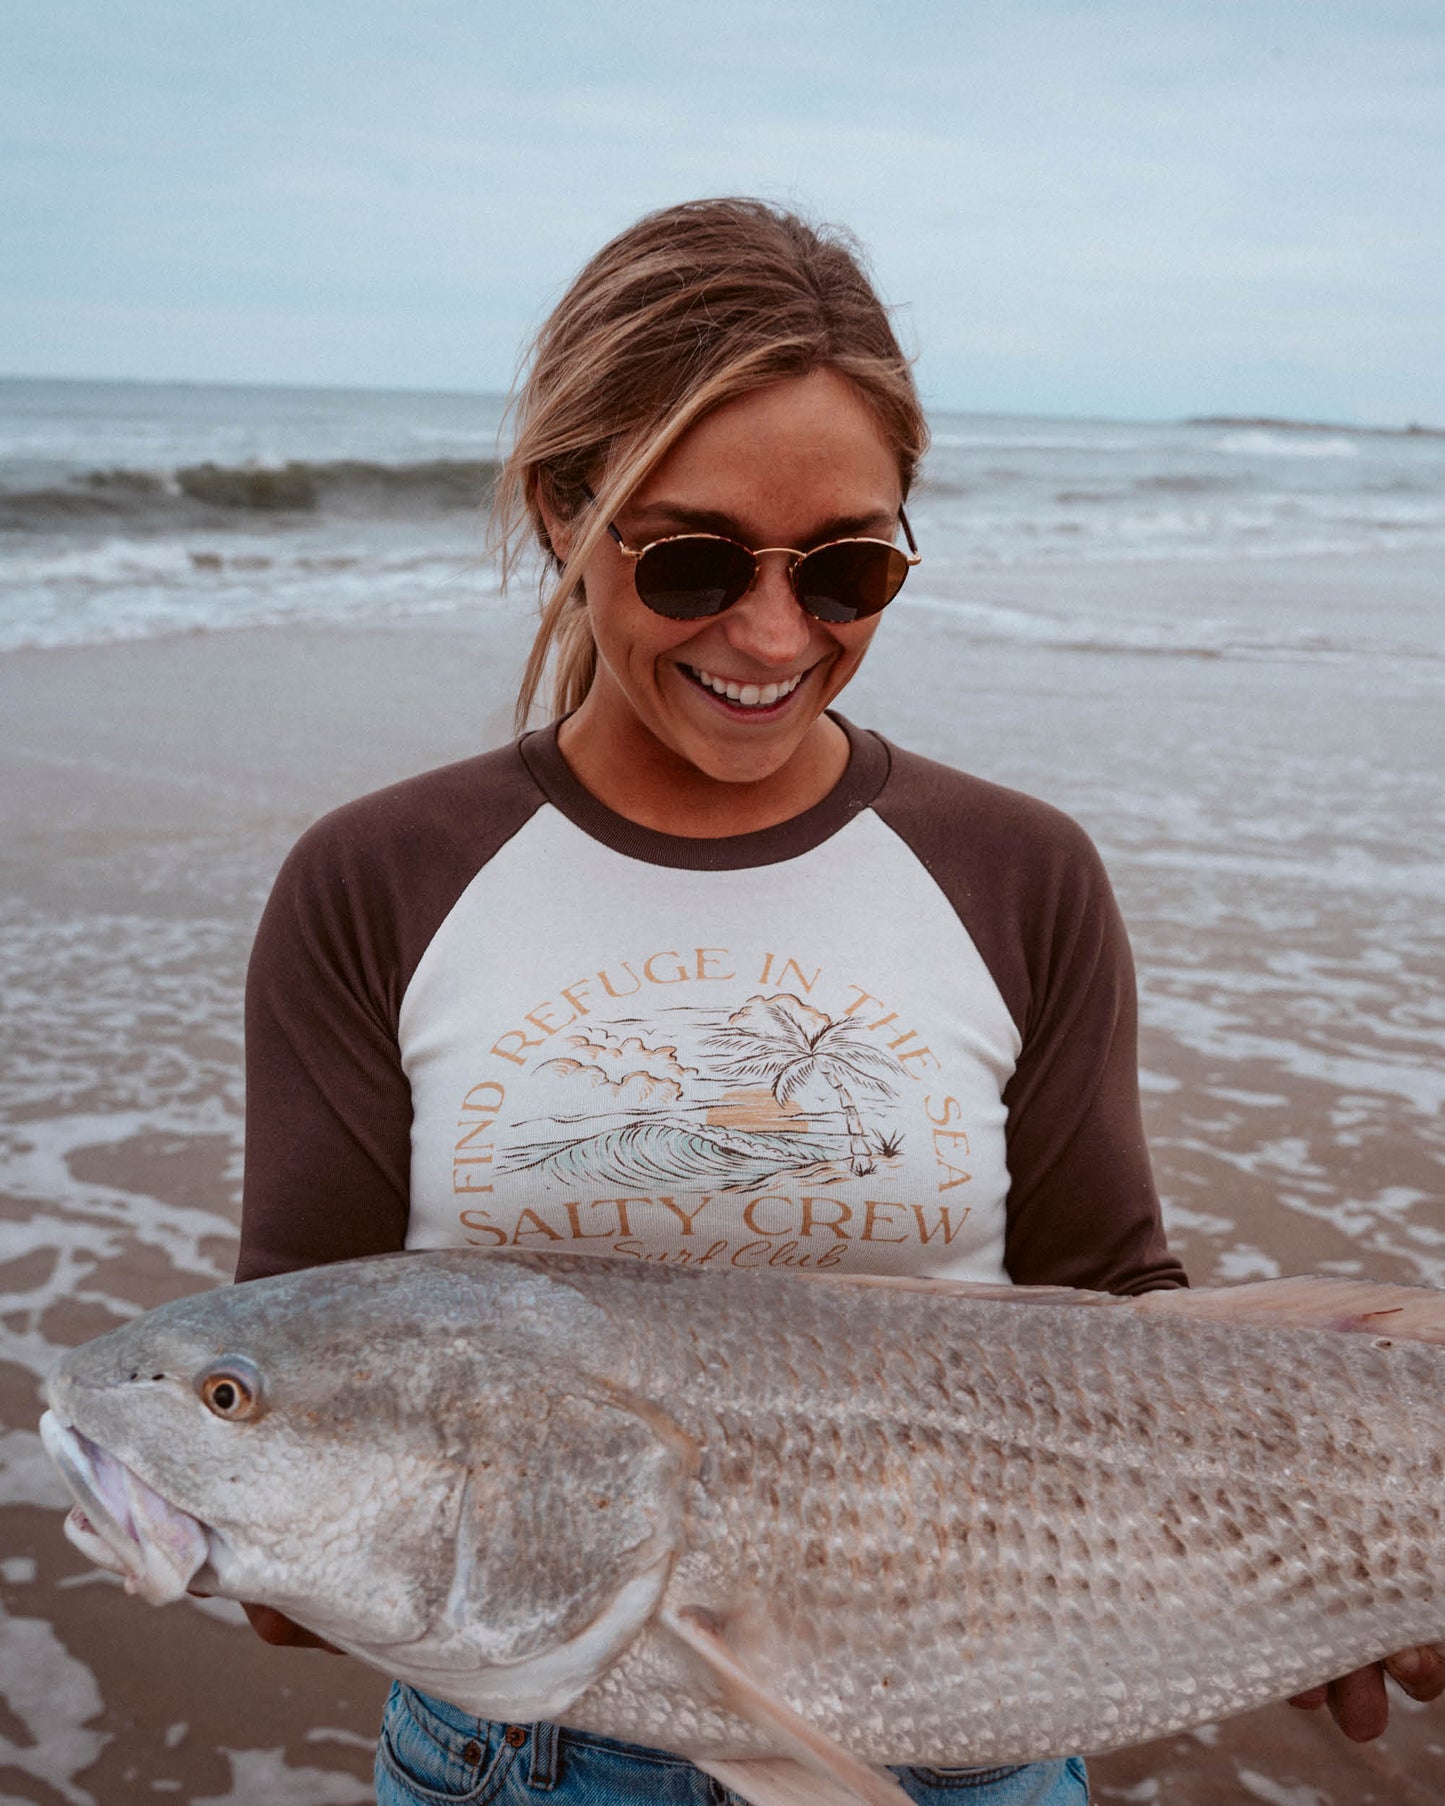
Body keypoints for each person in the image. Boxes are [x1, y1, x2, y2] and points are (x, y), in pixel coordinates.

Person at [235, 198, 1443, 1806]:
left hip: (973, 1728)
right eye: (690, 558)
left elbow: (1116, 1318)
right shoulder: (378, 879)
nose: (770, 632)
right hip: (518, 1755)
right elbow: (284, 1394)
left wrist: (1321, 1538)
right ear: (560, 512)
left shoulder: (1015, 870)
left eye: (847, 567)